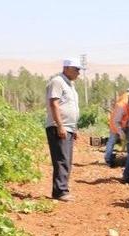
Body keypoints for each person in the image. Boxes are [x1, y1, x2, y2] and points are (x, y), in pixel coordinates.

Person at [44, 58, 83, 201]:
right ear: (66, 68)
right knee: (61, 160)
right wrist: (59, 125)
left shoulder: (70, 85)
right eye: (76, 69)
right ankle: (60, 192)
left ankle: (62, 189)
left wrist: (74, 127)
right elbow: (54, 103)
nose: (79, 73)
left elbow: (70, 108)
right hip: (58, 127)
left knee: (66, 160)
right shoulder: (58, 82)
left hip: (68, 127)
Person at [104, 88, 129, 167]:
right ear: (128, 103)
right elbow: (116, 122)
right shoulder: (121, 107)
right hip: (115, 125)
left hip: (126, 124)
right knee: (112, 141)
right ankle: (108, 159)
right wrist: (121, 133)